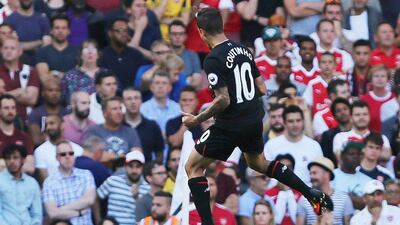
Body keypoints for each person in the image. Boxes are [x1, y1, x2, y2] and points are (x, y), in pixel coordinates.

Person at [182, 8, 333, 225]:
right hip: (253, 118)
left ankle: (207, 223)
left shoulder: (213, 59)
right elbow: (261, 87)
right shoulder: (243, 50)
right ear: (222, 26)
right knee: (258, 163)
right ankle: (311, 193)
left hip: (231, 123)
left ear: (201, 32)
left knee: (193, 167)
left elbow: (223, 100)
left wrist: (196, 119)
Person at [265, 105, 323, 183]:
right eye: (291, 121)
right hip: (280, 193)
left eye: (298, 120)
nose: (295, 125)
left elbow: (320, 175)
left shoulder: (314, 146)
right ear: (284, 123)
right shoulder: (271, 145)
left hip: (308, 193)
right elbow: (266, 175)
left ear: (303, 121)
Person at [42, 141, 96, 225]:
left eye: (71, 153)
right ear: (57, 158)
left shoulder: (86, 175)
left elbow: (89, 200)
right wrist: (79, 213)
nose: (68, 156)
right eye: (63, 154)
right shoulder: (49, 182)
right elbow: (52, 214)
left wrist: (60, 210)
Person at [96, 150, 151, 225]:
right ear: (125, 166)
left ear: (142, 168)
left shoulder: (148, 189)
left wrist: (137, 199)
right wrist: (98, 219)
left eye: (138, 166)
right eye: (131, 166)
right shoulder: (113, 181)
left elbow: (148, 215)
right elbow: (96, 198)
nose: (134, 170)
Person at [84, 96, 142, 166]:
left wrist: (110, 157)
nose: (119, 112)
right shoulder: (94, 131)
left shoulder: (131, 132)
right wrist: (120, 157)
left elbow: (137, 157)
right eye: (114, 109)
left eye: (120, 108)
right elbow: (94, 156)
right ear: (105, 113)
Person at [297, 157, 354, 225]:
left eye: (314, 173)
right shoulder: (304, 199)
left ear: (327, 174)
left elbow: (348, 223)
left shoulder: (344, 198)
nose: (311, 177)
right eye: (310, 173)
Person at [34, 114, 83, 183]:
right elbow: (46, 182)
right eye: (46, 125)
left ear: (62, 125)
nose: (48, 127)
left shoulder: (77, 149)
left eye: (52, 123)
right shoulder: (39, 151)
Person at [0, 144, 42, 225]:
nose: (12, 161)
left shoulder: (32, 183)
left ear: (23, 160)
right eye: (8, 158)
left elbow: (37, 214)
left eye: (15, 157)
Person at [101, 18, 147, 90]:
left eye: (126, 31)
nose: (124, 34)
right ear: (110, 33)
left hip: (132, 97)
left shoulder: (136, 55)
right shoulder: (101, 55)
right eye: (119, 31)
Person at [0, 36, 40, 120]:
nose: (8, 51)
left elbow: (32, 99)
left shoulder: (30, 71)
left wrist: (5, 94)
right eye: (5, 48)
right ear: (1, 50)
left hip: (25, 120)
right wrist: (19, 92)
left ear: (20, 52)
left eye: (12, 48)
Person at [122, 87, 164, 162]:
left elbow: (160, 154)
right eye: (129, 99)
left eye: (136, 98)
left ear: (141, 101)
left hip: (147, 171)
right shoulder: (117, 126)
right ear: (123, 102)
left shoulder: (152, 126)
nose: (133, 102)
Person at [5, 0, 51, 65]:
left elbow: (47, 45)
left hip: (40, 64)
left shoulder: (42, 19)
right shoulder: (10, 20)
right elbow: (13, 46)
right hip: (17, 64)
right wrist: (39, 42)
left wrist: (24, 45)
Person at [35, 14, 79, 81]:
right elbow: (44, 79)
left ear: (69, 31)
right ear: (51, 31)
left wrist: (56, 73)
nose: (60, 31)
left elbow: (78, 79)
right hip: (50, 90)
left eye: (64, 28)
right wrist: (68, 76)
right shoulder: (42, 52)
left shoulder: (77, 51)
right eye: (57, 28)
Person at [61, 40, 102, 106]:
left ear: (98, 55)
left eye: (93, 49)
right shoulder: (69, 75)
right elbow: (62, 99)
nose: (90, 52)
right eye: (86, 49)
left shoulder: (106, 74)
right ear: (80, 55)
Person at [0, 94, 34, 173]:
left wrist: (3, 163)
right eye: (6, 108)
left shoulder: (24, 137)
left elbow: (30, 167)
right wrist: (18, 163)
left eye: (13, 108)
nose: (10, 111)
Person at [28, 78, 67, 146]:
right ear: (43, 93)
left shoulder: (66, 113)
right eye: (50, 90)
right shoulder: (35, 114)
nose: (54, 93)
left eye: (57, 90)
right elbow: (36, 140)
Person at [264, 154, 301, 225]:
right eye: (282, 167)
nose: (286, 170)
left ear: (293, 170)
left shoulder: (301, 194)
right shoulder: (267, 195)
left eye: (289, 167)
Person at [361, 65, 397, 132]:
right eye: (376, 76)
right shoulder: (364, 99)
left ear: (388, 79)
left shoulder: (395, 98)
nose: (379, 79)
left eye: (383, 76)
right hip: (370, 139)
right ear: (371, 80)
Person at [168, 20, 202, 86]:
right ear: (169, 36)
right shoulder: (165, 54)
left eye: (181, 34)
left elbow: (197, 81)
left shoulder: (192, 55)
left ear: (185, 36)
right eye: (174, 34)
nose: (177, 37)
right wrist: (187, 80)